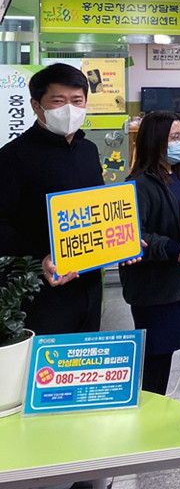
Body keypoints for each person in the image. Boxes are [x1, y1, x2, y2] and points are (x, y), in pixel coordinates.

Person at [0, 63, 104, 335]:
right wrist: (40, 256)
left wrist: (124, 240)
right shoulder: (13, 157)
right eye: (58, 101)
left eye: (77, 100)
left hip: (89, 283)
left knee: (85, 353)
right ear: (36, 105)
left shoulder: (88, 151)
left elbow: (100, 207)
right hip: (40, 289)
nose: (69, 109)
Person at [119, 111, 180, 395]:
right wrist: (172, 248)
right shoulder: (138, 185)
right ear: (155, 140)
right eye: (174, 137)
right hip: (155, 289)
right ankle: (151, 409)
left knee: (179, 346)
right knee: (157, 359)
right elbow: (134, 236)